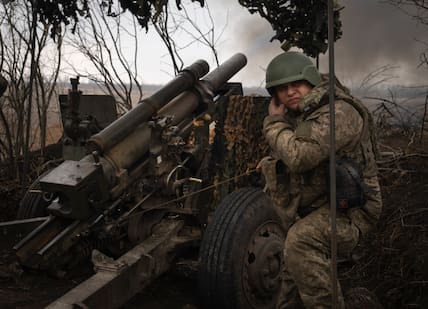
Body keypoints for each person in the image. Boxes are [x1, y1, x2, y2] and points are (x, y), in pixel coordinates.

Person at [258, 51, 382, 308]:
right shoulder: (300, 116)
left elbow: (299, 155)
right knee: (291, 272)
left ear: (311, 81)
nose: (290, 92)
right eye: (282, 89)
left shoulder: (340, 112)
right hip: (320, 205)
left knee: (301, 241)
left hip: (353, 210)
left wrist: (273, 124)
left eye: (297, 85)